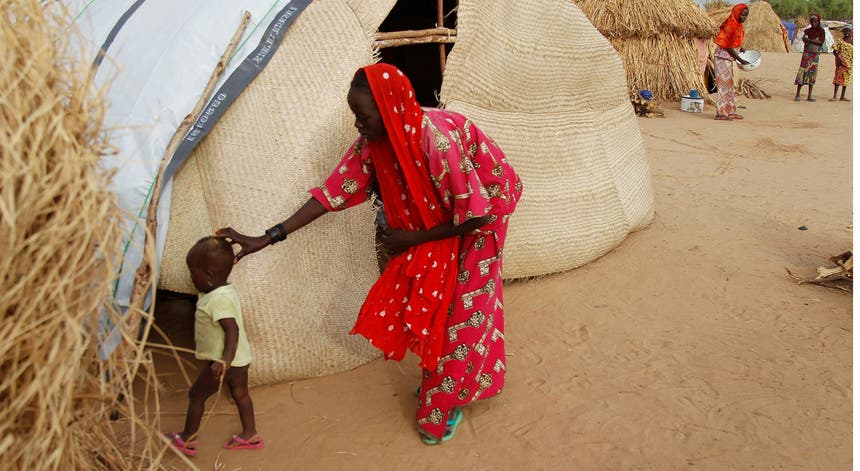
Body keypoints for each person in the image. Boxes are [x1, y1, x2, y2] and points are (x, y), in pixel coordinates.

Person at [217, 63, 522, 445]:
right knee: (430, 300)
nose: (358, 125)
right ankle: (442, 381)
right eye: (354, 116)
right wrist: (267, 236)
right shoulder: (374, 145)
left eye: (363, 116)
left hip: (486, 210)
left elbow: (475, 213)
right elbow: (333, 192)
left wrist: (413, 240)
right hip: (445, 218)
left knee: (460, 307)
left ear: (390, 109)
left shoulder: (437, 143)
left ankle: (441, 405)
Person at [166, 237, 263, 456]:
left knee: (196, 395)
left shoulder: (217, 300)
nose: (190, 278)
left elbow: (232, 330)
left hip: (225, 361)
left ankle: (187, 439)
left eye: (193, 273)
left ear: (209, 277)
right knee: (241, 394)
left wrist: (223, 361)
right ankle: (250, 433)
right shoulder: (222, 292)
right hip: (240, 359)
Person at [713, 4, 750, 121]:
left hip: (728, 58)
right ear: (737, 13)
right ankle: (721, 112)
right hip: (722, 58)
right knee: (723, 85)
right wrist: (740, 59)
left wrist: (740, 48)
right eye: (743, 14)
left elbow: (734, 42)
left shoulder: (738, 25)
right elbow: (728, 46)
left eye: (746, 15)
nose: (744, 17)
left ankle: (730, 111)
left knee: (729, 85)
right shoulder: (730, 25)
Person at [794, 13, 826, 102]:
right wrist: (814, 40)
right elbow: (805, 40)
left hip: (815, 55)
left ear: (818, 22)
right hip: (807, 54)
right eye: (812, 21)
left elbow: (820, 42)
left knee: (812, 73)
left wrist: (810, 40)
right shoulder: (807, 31)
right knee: (802, 72)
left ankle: (809, 95)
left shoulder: (821, 31)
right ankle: (797, 94)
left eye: (815, 21)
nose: (813, 23)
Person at [830, 26, 853, 102]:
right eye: (845, 31)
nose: (846, 33)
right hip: (841, 63)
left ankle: (843, 96)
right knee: (837, 79)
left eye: (848, 31)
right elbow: (834, 51)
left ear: (850, 32)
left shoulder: (853, 42)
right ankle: (834, 96)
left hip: (849, 64)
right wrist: (839, 59)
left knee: (846, 80)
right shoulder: (840, 41)